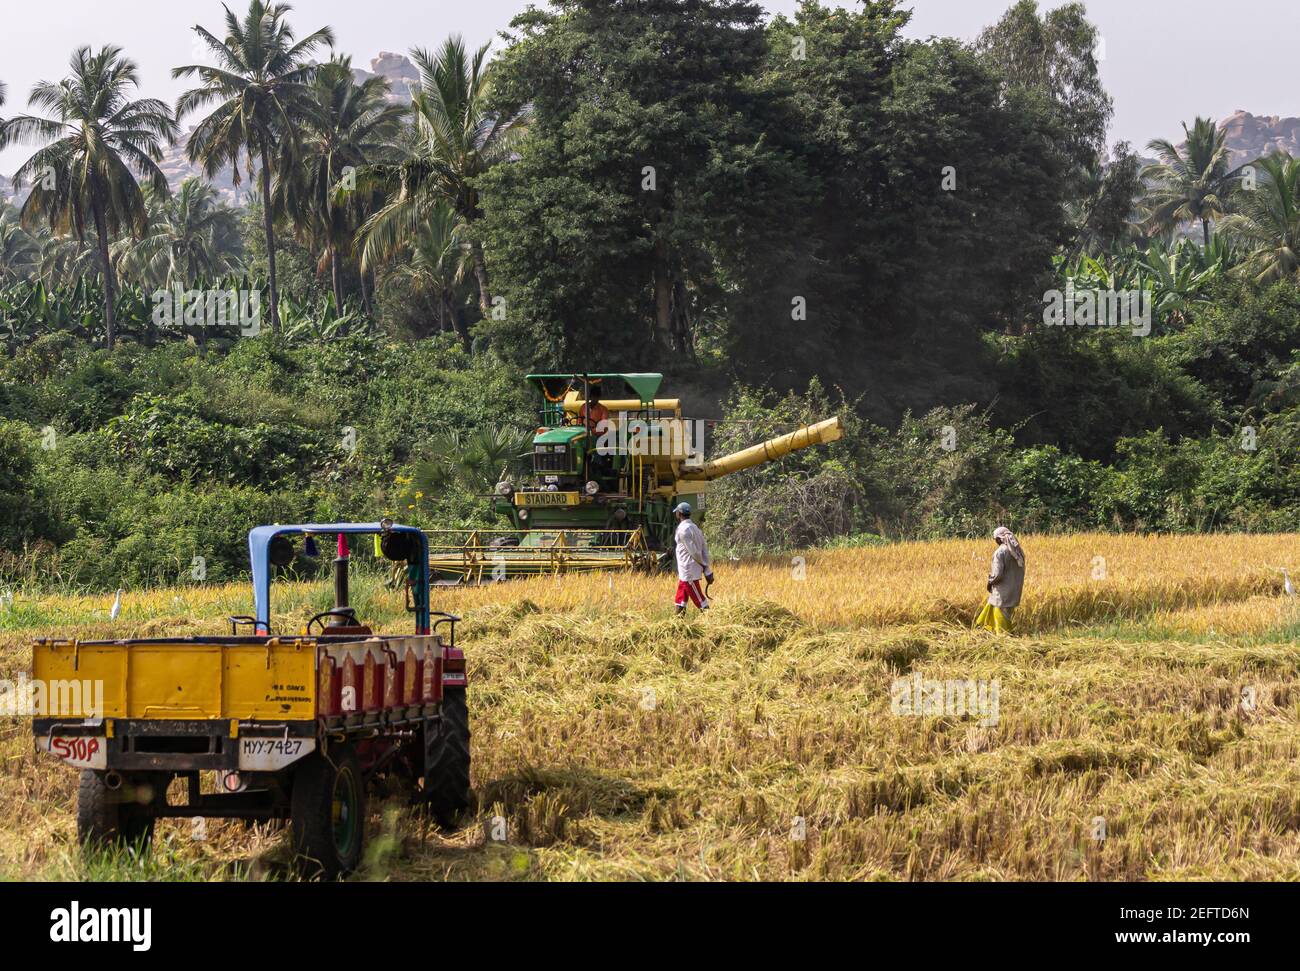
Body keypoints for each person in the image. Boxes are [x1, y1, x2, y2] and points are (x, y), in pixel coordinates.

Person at [975, 526, 1025, 633]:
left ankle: (1003, 636)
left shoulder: (1000, 552)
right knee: (1006, 613)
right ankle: (996, 632)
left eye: (995, 539)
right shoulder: (1018, 552)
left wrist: (990, 582)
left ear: (998, 539)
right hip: (1015, 589)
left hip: (1002, 591)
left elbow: (997, 574)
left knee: (1000, 613)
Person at [672, 502, 712, 615]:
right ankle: (677, 622)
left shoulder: (683, 530)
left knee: (699, 600)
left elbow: (694, 552)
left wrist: (706, 568)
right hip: (687, 571)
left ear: (679, 514)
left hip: (688, 570)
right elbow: (704, 548)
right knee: (681, 598)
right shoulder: (695, 528)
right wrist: (707, 569)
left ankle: (711, 619)